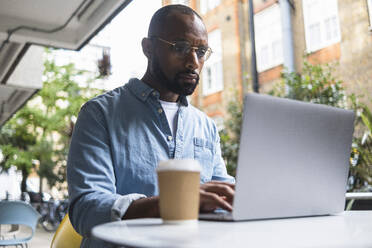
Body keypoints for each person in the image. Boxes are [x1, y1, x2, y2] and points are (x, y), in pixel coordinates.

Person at [67, 4, 235, 247]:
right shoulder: (99, 114)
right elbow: (86, 209)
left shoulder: (205, 126)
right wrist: (172, 204)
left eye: (201, 51)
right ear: (148, 48)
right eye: (180, 47)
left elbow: (222, 194)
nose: (193, 62)